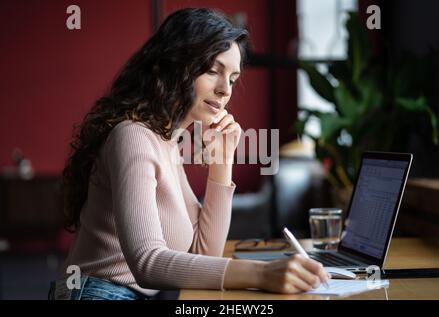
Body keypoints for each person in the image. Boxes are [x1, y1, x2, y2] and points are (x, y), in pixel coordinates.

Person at [49, 7, 330, 300]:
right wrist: (262, 273)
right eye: (212, 71)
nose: (225, 91)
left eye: (232, 79)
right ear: (174, 66)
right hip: (97, 294)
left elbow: (203, 252)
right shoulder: (132, 135)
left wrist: (222, 164)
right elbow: (146, 262)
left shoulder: (167, 142)